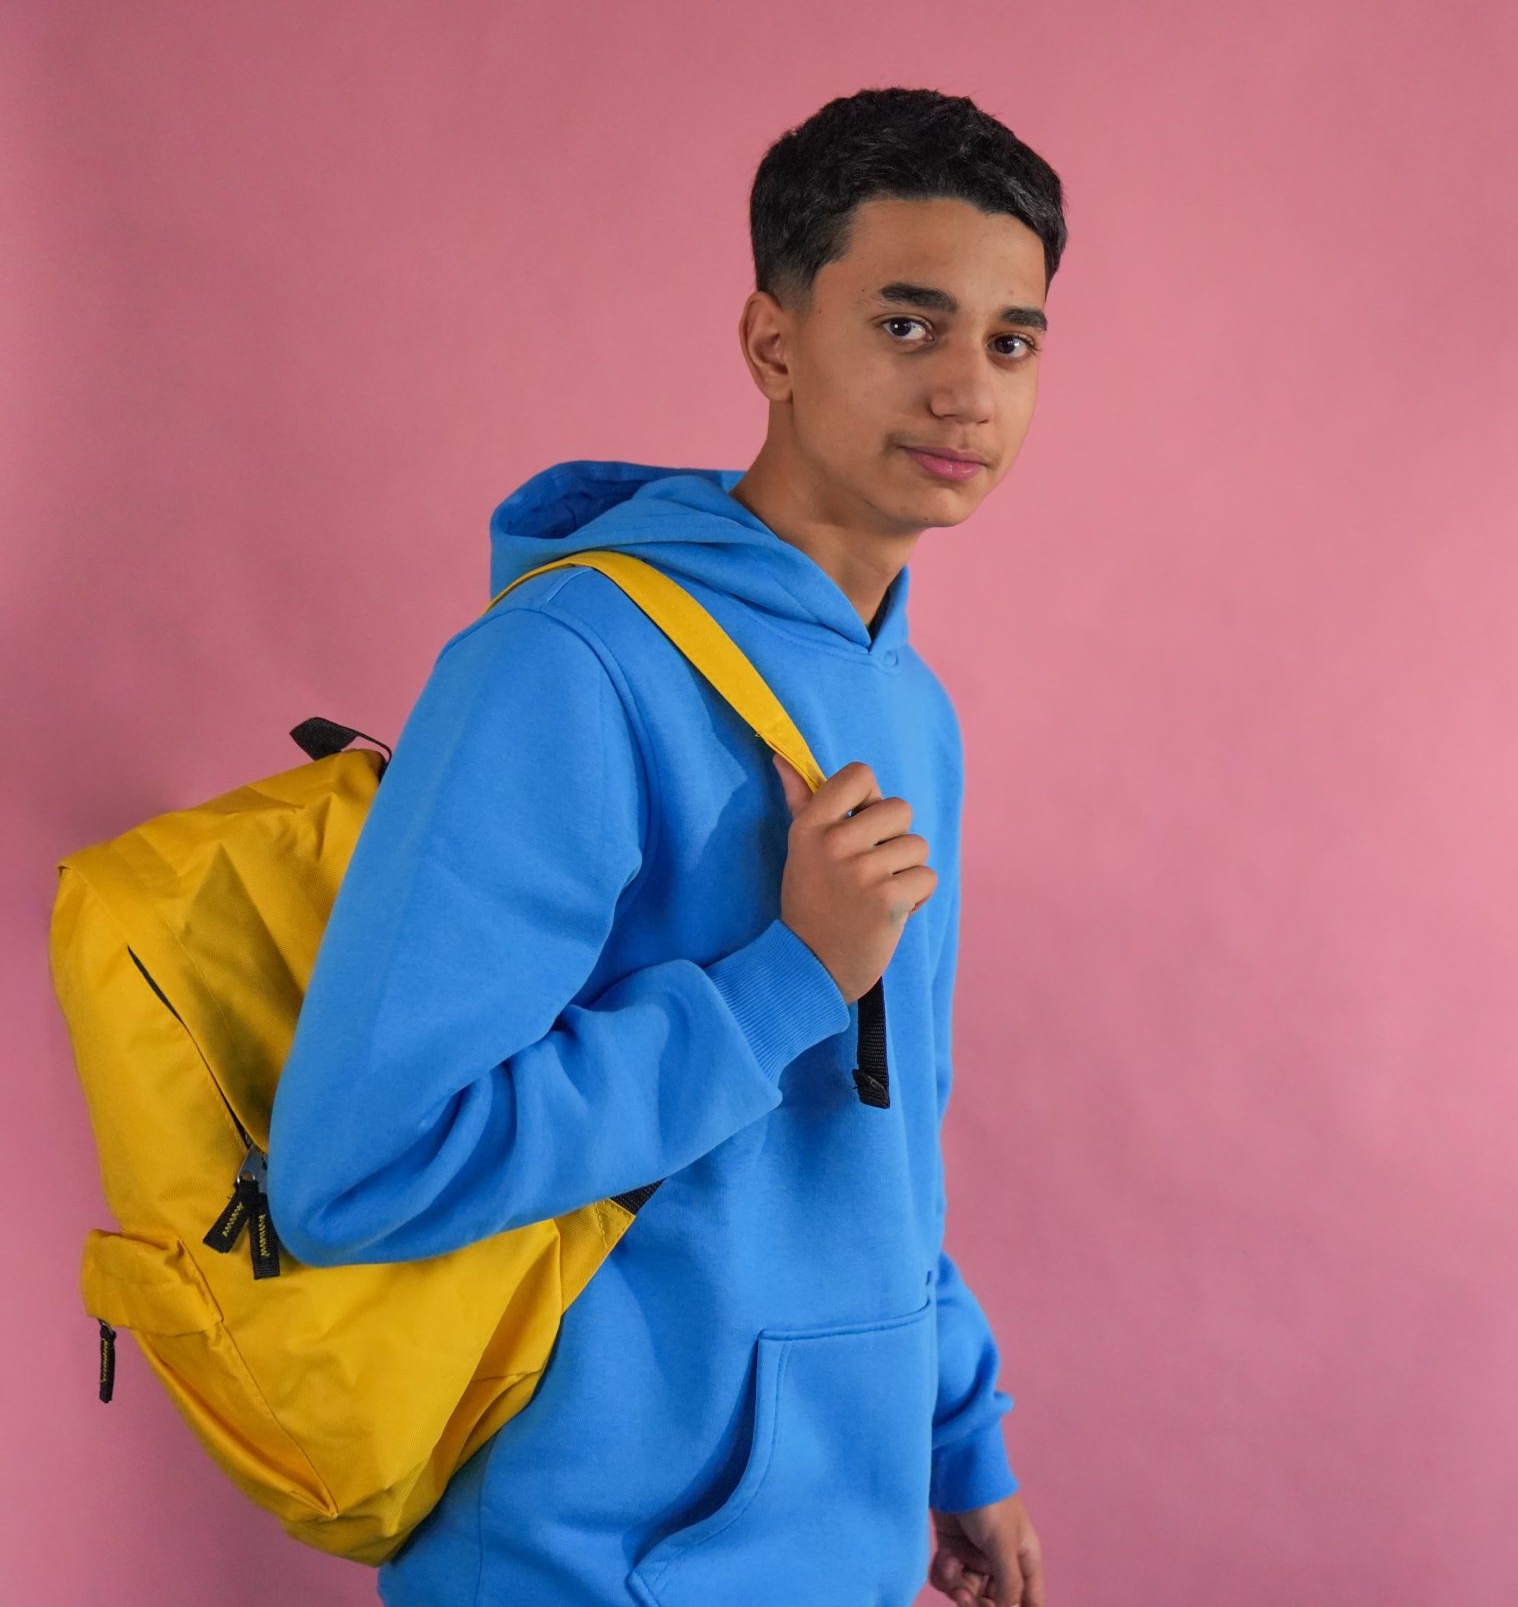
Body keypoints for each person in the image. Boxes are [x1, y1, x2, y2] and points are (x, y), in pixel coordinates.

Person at [265, 87, 1059, 1607]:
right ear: (773, 342)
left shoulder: (911, 704)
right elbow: (360, 1169)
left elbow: (887, 1135)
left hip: (842, 1547)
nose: (967, 390)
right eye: (906, 325)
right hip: (588, 1563)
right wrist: (791, 977)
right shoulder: (567, 665)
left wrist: (956, 1436)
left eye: (1010, 342)